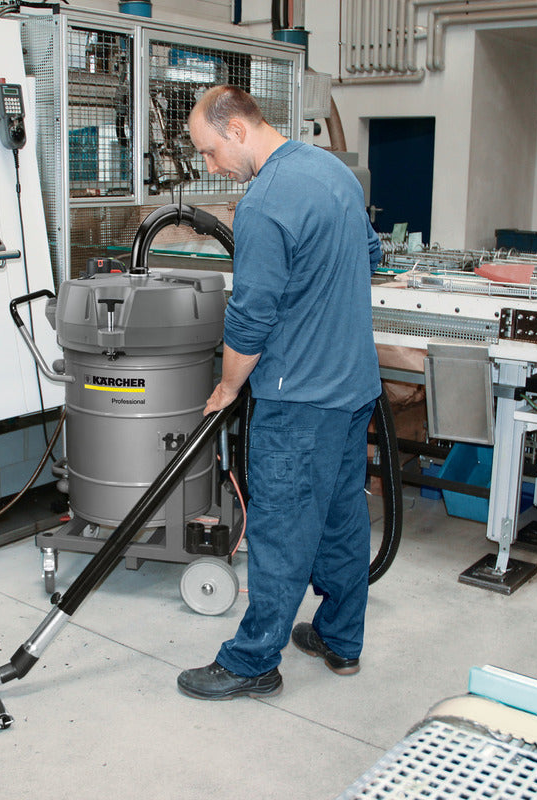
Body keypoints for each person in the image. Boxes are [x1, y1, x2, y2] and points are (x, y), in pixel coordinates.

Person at [177, 85, 383, 701]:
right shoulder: (333, 171)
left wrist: (227, 386)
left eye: (210, 151)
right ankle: (341, 640)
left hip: (299, 400)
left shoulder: (264, 204)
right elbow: (371, 254)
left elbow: (250, 319)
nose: (212, 165)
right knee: (342, 519)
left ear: (238, 130)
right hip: (353, 387)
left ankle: (252, 661)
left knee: (281, 531)